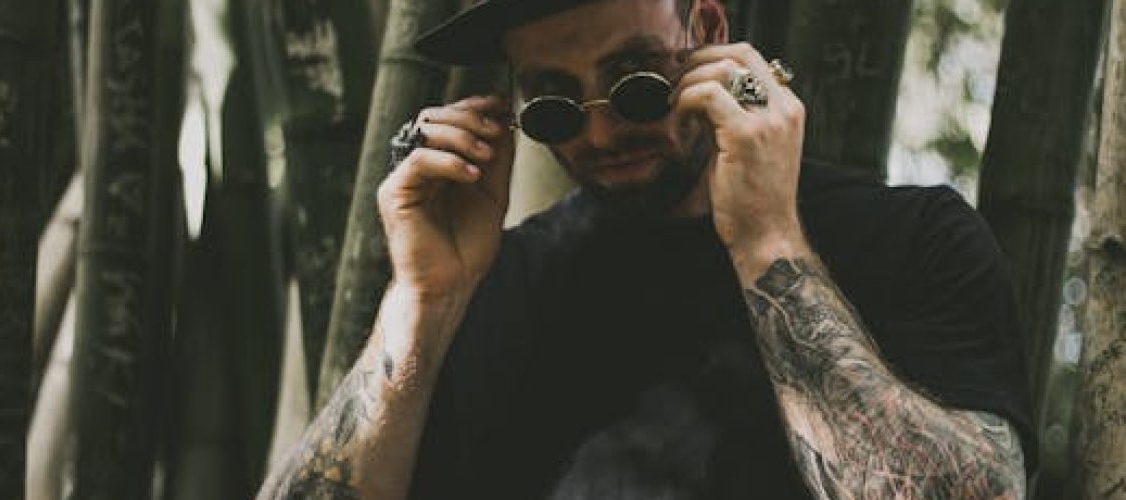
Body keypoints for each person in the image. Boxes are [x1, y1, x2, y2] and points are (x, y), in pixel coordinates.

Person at [258, 0, 1035, 498]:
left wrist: (766, 242)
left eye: (633, 83)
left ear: (707, 35)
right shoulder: (494, 283)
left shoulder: (910, 240)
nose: (600, 132)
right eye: (558, 104)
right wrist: (421, 305)